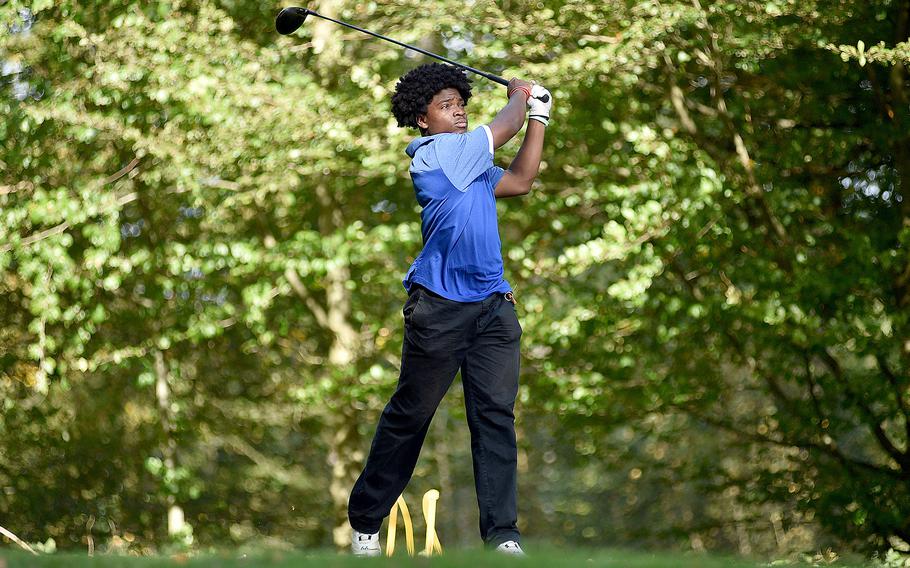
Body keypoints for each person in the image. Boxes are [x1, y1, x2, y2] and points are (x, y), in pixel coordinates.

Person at [347, 62, 551, 557]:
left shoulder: (472, 164)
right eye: (446, 106)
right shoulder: (435, 158)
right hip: (438, 311)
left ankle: (503, 536)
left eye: (461, 105)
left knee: (495, 418)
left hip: (492, 309)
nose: (458, 113)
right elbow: (502, 128)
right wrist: (521, 97)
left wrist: (539, 117)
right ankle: (366, 523)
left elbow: (521, 181)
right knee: (411, 414)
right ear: (423, 120)